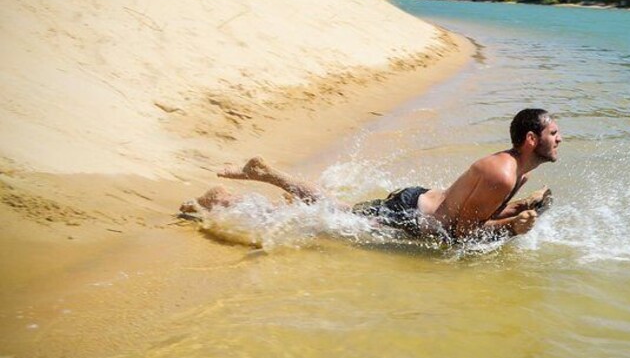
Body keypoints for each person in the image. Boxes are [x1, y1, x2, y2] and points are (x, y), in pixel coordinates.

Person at [181, 108, 561, 241]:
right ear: (531, 139)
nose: (560, 139)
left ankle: (268, 176)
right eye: (553, 133)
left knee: (336, 210)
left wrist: (517, 211)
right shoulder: (503, 174)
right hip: (411, 217)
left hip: (418, 207)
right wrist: (512, 226)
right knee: (328, 221)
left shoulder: (516, 174)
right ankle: (223, 202)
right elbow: (462, 234)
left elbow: (473, 217)